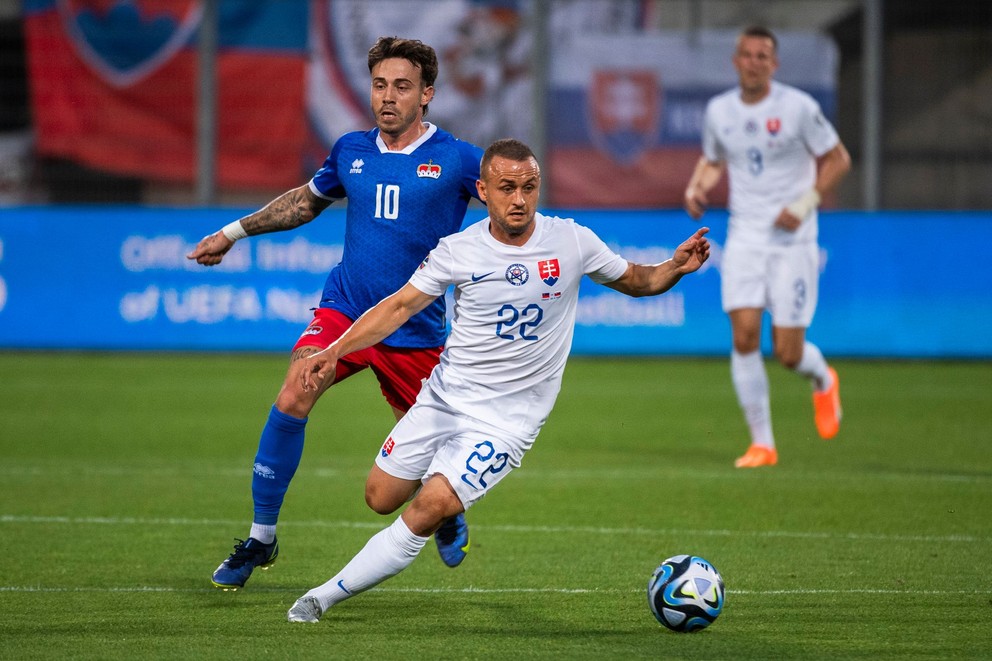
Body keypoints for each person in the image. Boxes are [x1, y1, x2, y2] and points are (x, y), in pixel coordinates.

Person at [284, 138, 710, 623]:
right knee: (379, 497)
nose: (520, 199)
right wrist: (335, 350)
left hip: (507, 420)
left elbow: (636, 279)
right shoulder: (458, 250)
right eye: (507, 188)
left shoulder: (571, 240)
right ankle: (447, 485)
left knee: (430, 506)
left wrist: (675, 267)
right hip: (445, 397)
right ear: (483, 191)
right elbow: (399, 306)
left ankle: (321, 598)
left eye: (529, 186)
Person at [186, 37, 484, 590]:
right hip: (344, 309)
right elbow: (304, 202)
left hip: (414, 328)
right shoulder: (351, 149)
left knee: (424, 457)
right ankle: (261, 538)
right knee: (296, 388)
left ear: (427, 95)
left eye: (401, 86)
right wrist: (231, 233)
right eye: (379, 85)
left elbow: (511, 208)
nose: (387, 97)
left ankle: (444, 507)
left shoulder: (461, 159)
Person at [683, 26, 851, 468]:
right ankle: (763, 444)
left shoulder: (797, 108)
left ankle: (822, 378)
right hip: (744, 238)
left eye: (763, 56)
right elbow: (714, 159)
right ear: (735, 60)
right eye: (747, 54)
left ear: (773, 65)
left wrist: (806, 202)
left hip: (793, 242)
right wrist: (696, 188)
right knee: (743, 337)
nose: (754, 62)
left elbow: (838, 159)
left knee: (789, 353)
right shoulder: (720, 111)